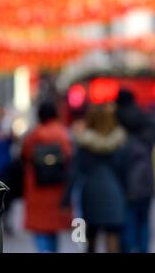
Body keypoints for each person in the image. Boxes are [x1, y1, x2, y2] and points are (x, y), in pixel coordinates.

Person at [62, 103, 127, 253]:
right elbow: (125, 171)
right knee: (113, 234)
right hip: (114, 192)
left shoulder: (83, 144)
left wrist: (66, 200)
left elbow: (75, 172)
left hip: (90, 193)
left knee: (91, 235)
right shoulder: (120, 143)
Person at [22, 101, 72, 252]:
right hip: (57, 188)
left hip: (37, 189)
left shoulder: (34, 135)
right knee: (53, 229)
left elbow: (24, 155)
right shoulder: (63, 134)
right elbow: (69, 157)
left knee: (40, 229)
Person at [116, 89, 155, 253]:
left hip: (124, 180)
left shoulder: (116, 120)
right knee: (144, 221)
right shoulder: (146, 118)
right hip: (145, 178)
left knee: (127, 222)